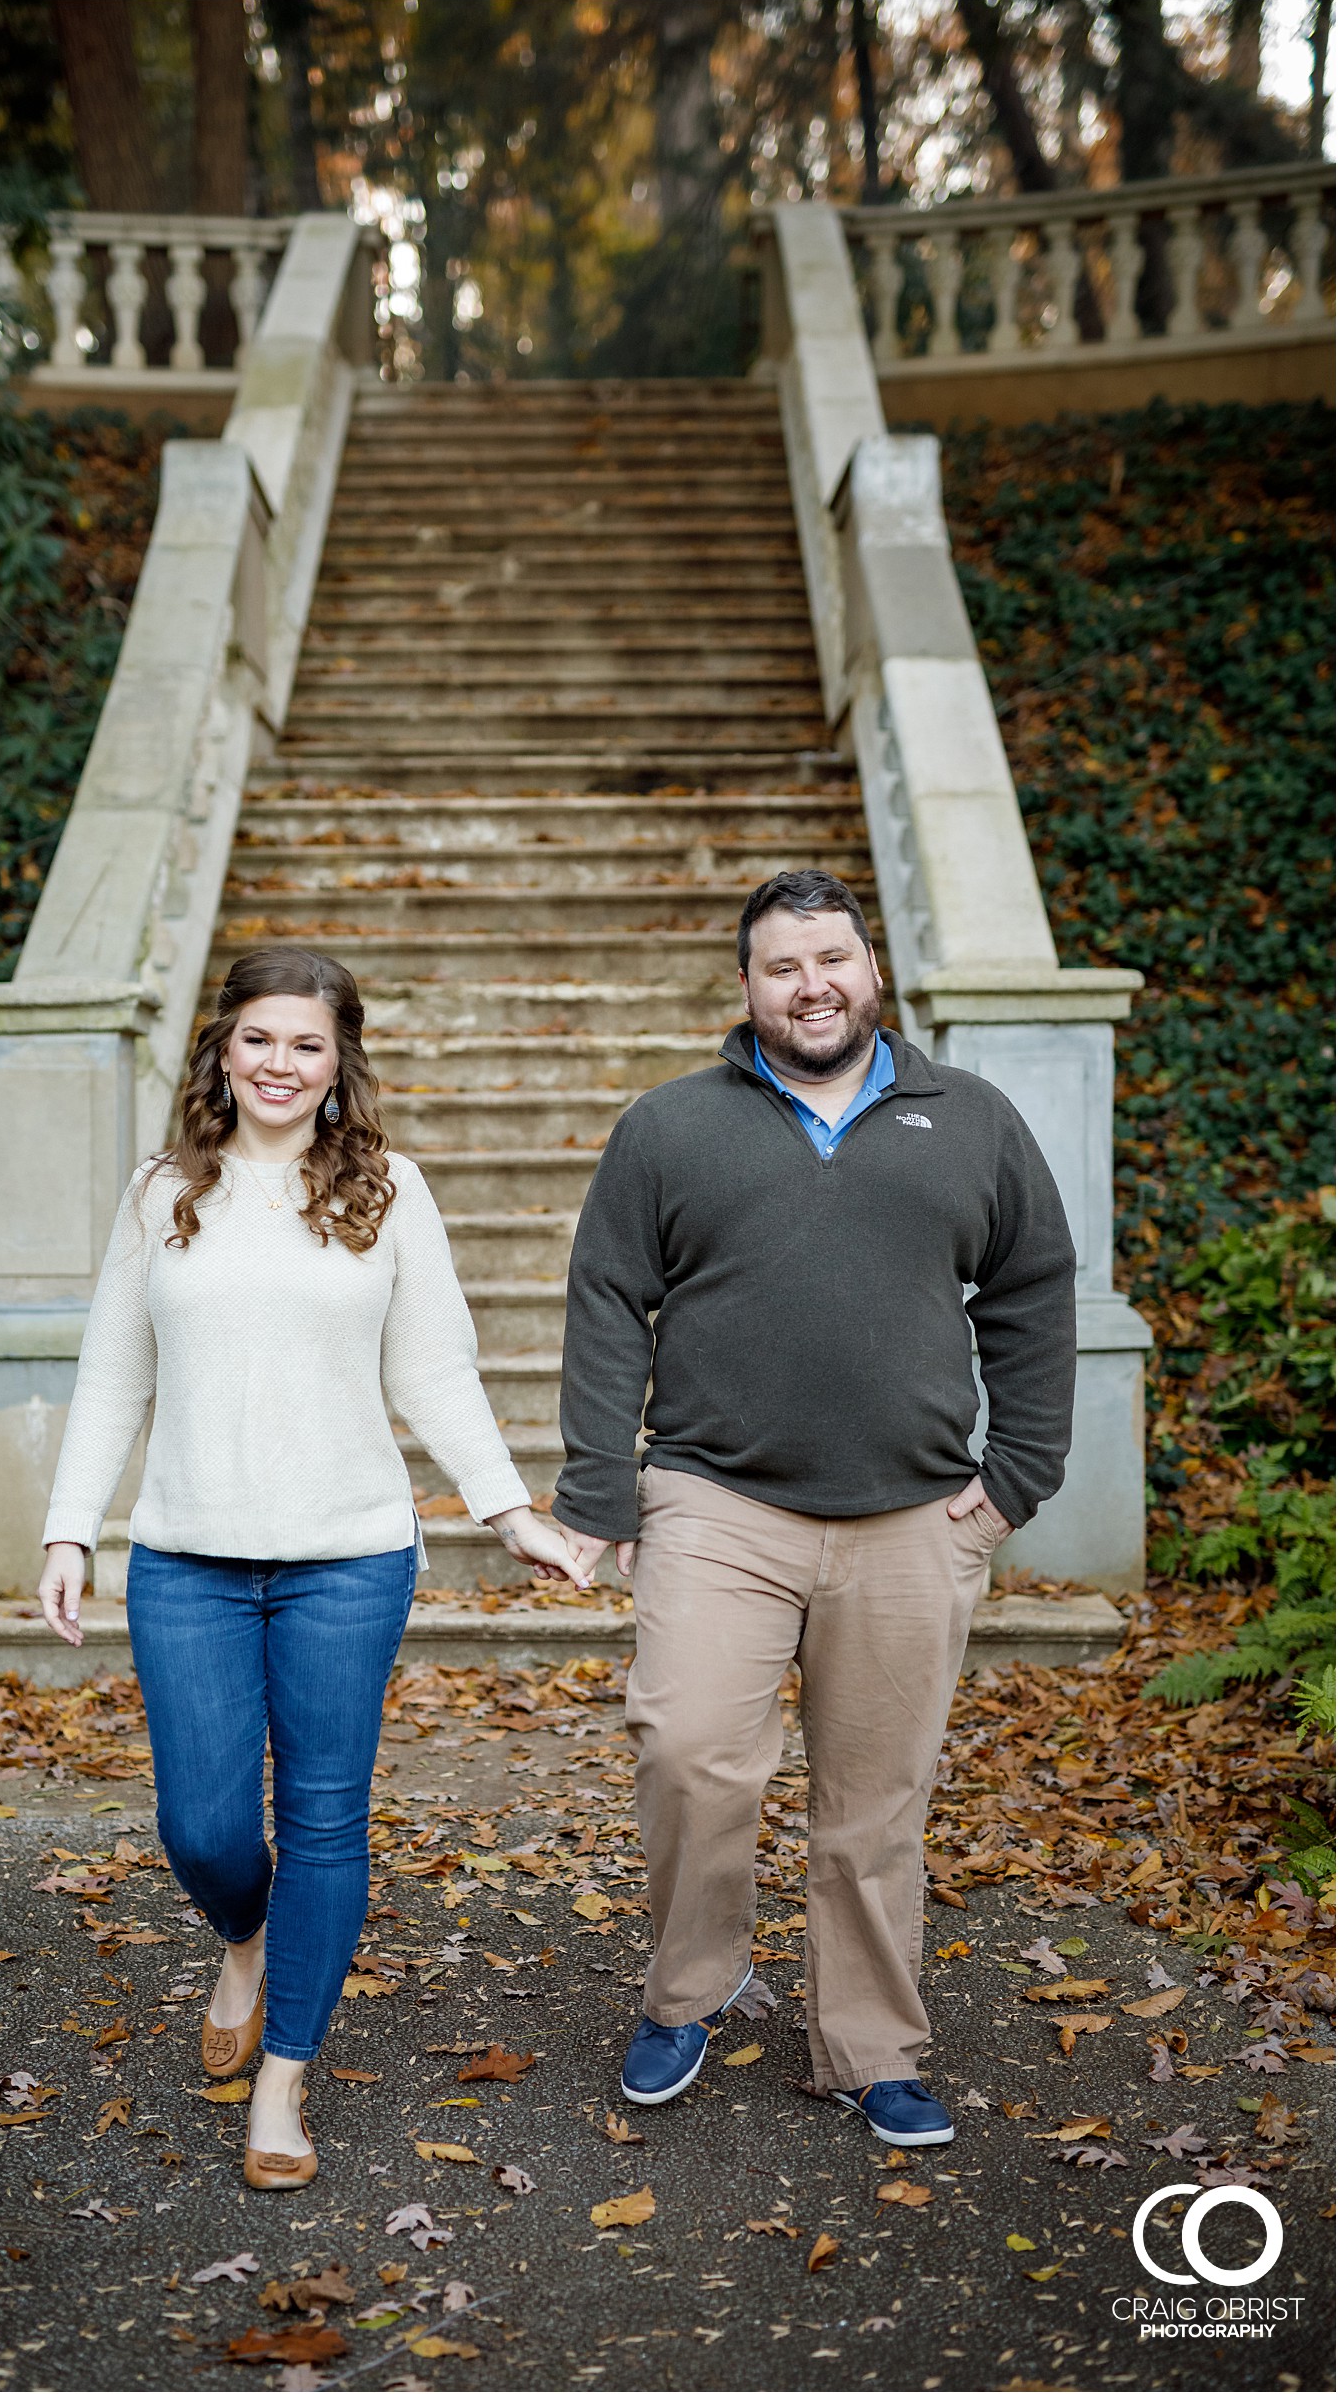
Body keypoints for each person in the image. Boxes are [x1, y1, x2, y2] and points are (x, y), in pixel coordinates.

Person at [37, 945, 586, 2189]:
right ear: (222, 1051)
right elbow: (115, 1374)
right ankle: (243, 1936)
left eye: (308, 1045)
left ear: (340, 1066)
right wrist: (72, 1525)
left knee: (326, 1817)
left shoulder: (390, 1190)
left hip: (348, 1558)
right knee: (205, 1825)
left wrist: (508, 1511)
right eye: (260, 1039)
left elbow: (434, 1371)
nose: (280, 1064)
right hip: (187, 1556)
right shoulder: (161, 1192)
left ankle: (283, 2080)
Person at [552, 869, 1077, 2144]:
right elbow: (608, 1297)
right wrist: (598, 1480)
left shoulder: (972, 1118)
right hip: (717, 1502)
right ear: (745, 986)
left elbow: (1033, 1292)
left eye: (831, 958)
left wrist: (1016, 1479)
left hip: (912, 1519)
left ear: (872, 970)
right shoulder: (670, 1127)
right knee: (686, 1751)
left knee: (876, 1798)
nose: (811, 985)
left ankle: (869, 2043)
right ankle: (690, 1986)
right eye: (782, 966)